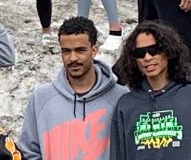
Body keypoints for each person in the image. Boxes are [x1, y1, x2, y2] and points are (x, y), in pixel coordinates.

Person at [18, 16, 131, 159]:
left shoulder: (120, 97)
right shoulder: (41, 97)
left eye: (80, 50)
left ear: (94, 50)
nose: (72, 58)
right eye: (66, 51)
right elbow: (29, 151)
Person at [109, 21, 191, 160]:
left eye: (154, 50)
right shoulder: (126, 105)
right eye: (140, 53)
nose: (147, 57)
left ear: (168, 51)